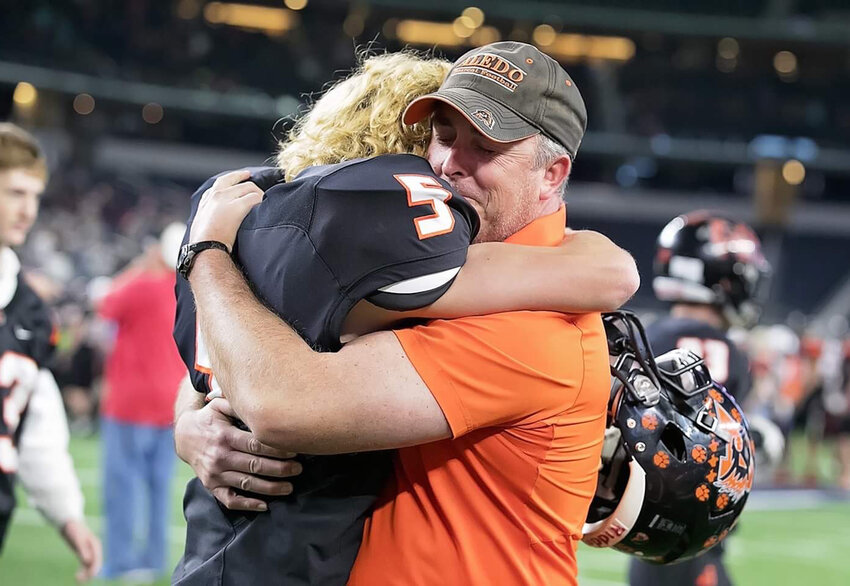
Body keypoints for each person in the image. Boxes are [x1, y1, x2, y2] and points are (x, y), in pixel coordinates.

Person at [182, 41, 619, 585]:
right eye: (442, 136)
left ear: (552, 174)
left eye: (484, 147)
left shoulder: (532, 323)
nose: (448, 165)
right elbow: (233, 354)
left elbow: (285, 402)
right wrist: (193, 426)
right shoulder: (437, 262)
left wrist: (204, 256)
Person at [628, 211, 771, 586]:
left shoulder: (645, 337)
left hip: (645, 522)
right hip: (693, 525)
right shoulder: (730, 350)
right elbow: (713, 440)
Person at [0, 122, 102, 581]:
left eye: (35, 196)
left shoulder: (30, 311)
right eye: (15, 193)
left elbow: (36, 420)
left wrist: (67, 516)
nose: (28, 211)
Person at [94, 222, 187, 580]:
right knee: (159, 489)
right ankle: (154, 559)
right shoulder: (184, 290)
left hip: (130, 404)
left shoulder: (142, 285)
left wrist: (138, 265)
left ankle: (119, 562)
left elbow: (104, 301)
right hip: (168, 405)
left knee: (122, 488)